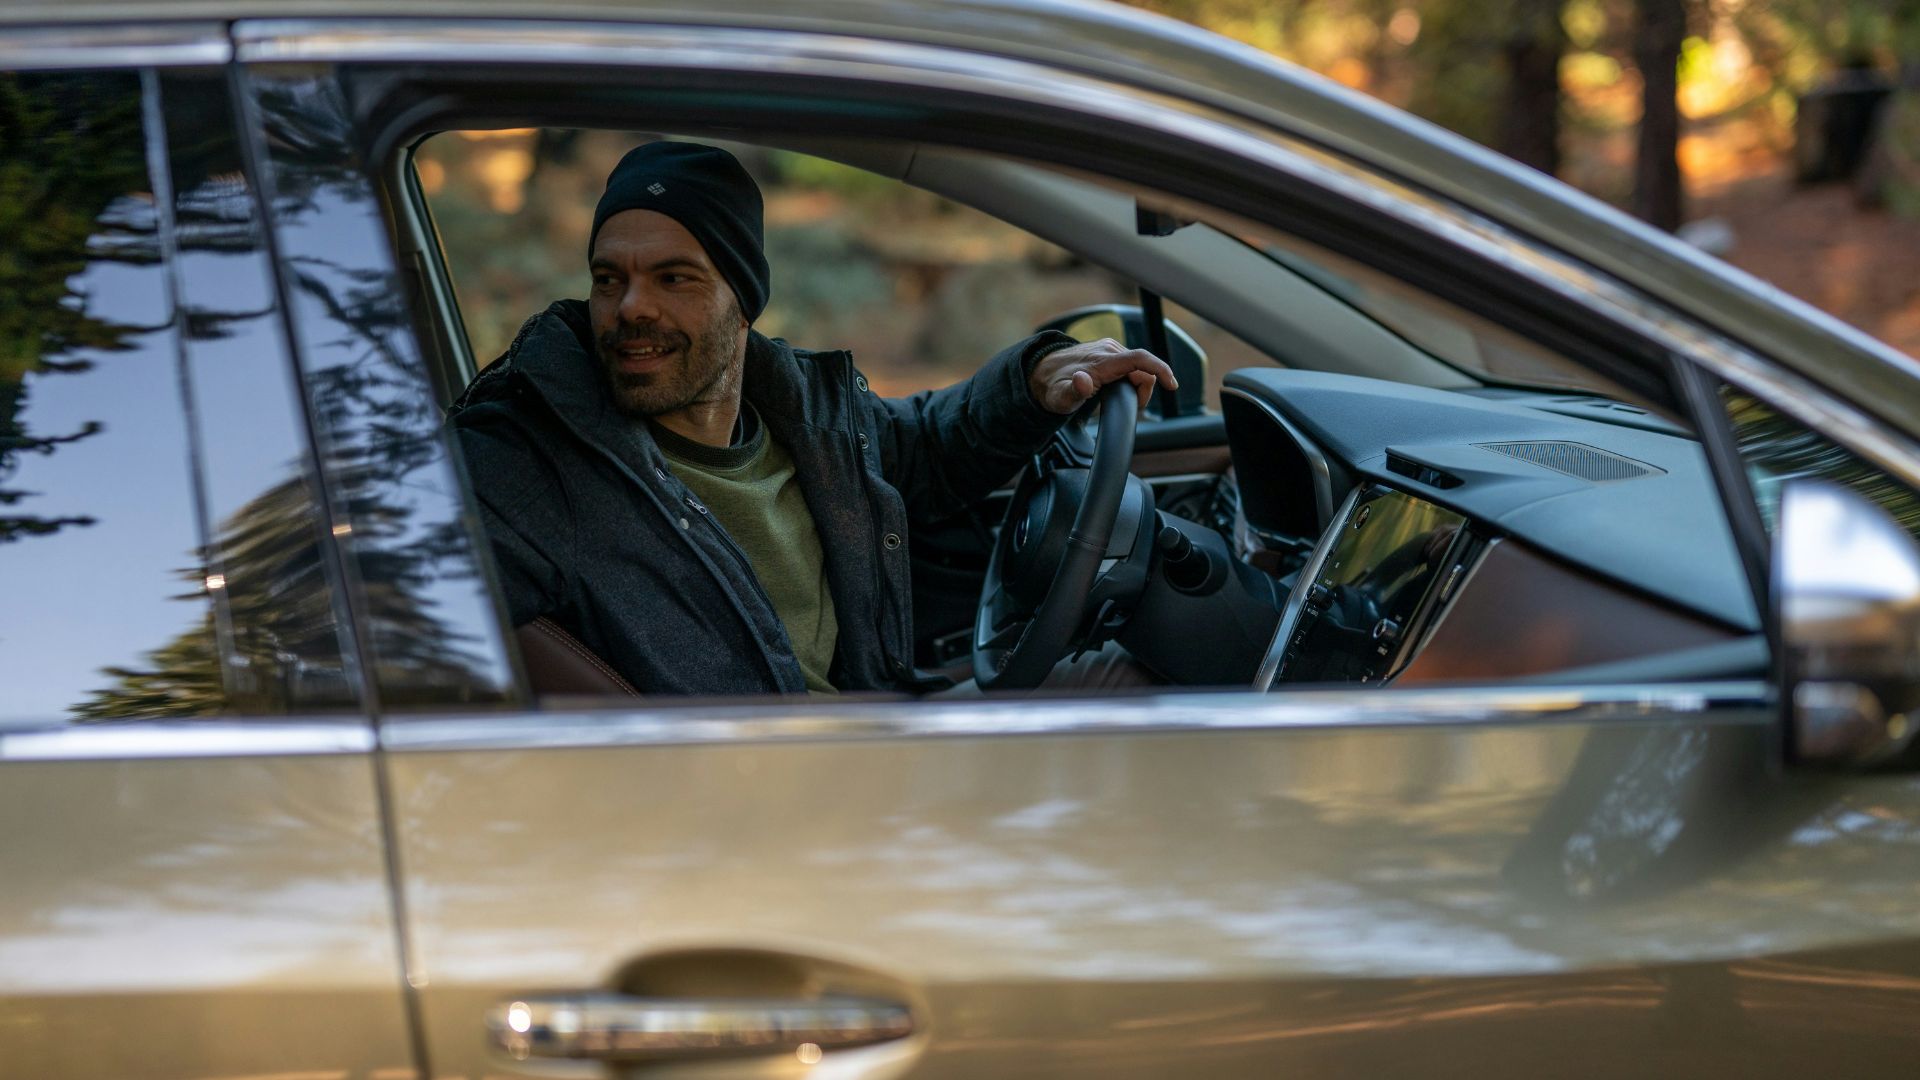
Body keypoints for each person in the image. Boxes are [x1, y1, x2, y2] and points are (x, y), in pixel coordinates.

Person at [450, 141, 1175, 696]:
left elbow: (922, 446)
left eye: (673, 278)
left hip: (867, 738)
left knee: (1144, 679)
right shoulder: (524, 457)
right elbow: (398, 605)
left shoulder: (802, 407)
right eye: (609, 279)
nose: (631, 306)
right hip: (772, 814)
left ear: (743, 302)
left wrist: (1032, 385)